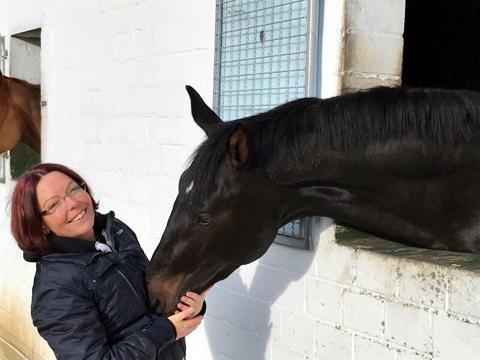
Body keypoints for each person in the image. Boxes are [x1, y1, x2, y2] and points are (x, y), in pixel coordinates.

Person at [10, 163, 209, 360]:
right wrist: (166, 332)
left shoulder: (115, 232)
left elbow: (153, 297)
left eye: (73, 189)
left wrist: (187, 305)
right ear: (40, 225)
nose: (72, 203)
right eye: (54, 205)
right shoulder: (56, 290)